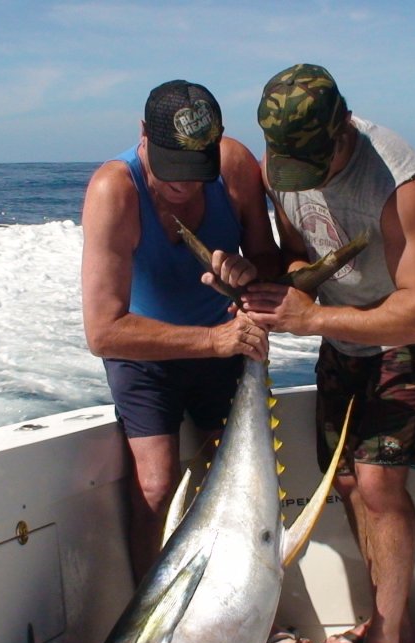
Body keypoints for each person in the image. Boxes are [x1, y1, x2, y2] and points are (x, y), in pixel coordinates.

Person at [242, 63, 415, 643]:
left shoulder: (401, 181)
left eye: (316, 159)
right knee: (344, 482)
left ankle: (386, 642)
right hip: (338, 341)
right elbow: (297, 247)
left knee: (380, 483)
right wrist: (265, 277)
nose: (300, 174)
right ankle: (395, 623)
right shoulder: (282, 165)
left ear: (343, 129)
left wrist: (311, 317)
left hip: (399, 340)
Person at [81, 79, 279, 586]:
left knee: (238, 484)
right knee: (155, 485)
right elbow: (104, 332)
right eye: (172, 170)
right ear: (143, 134)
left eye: (196, 173)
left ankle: (245, 611)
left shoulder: (235, 167)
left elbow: (269, 261)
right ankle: (151, 625)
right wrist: (213, 341)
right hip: (143, 348)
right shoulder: (114, 191)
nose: (185, 186)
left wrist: (248, 273)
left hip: (227, 341)